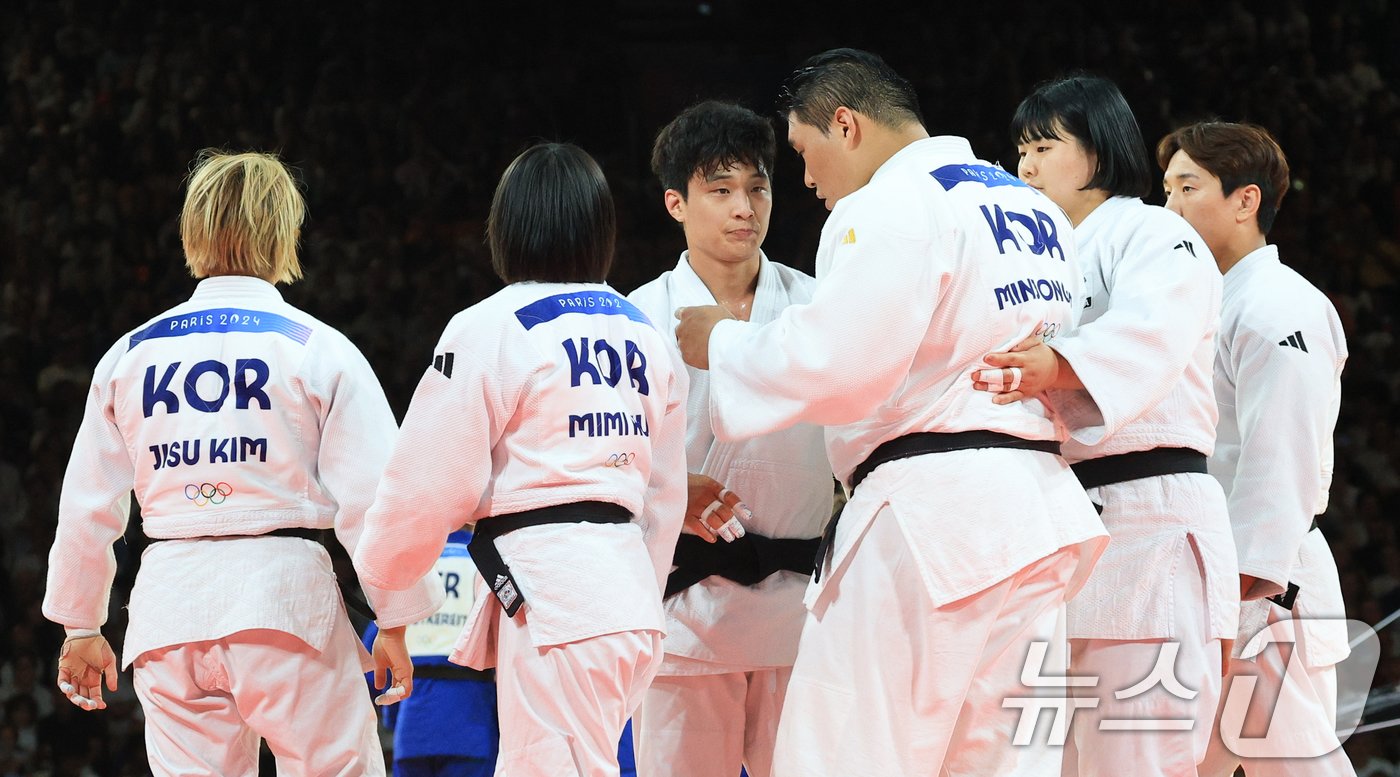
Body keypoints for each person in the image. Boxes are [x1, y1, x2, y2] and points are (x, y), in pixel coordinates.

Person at [673, 48, 1108, 776]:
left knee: (849, 754)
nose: (807, 180)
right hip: (1037, 514)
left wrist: (722, 341)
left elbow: (839, 361)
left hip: (929, 521)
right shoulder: (1034, 209)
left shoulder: (891, 202)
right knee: (1001, 763)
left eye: (805, 152)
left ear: (845, 125)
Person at [41, 150, 443, 776]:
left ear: (192, 233)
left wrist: (80, 625)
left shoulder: (130, 355)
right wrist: (395, 618)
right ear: (285, 234)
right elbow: (378, 500)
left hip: (169, 607)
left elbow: (88, 506)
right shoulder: (319, 348)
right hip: (285, 602)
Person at [352, 142, 688, 777]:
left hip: (558, 600)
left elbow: (425, 486)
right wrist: (636, 590)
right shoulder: (646, 333)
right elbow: (665, 497)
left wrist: (390, 602)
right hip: (628, 602)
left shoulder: (492, 326)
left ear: (507, 230)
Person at [974, 76, 1240, 775]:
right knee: (1055, 760)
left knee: (1140, 754)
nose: (1025, 166)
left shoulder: (1155, 232)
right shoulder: (1033, 258)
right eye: (1020, 150)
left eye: (1044, 147)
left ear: (1097, 150)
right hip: (1059, 524)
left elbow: (1153, 334)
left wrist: (1057, 364)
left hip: (1150, 514)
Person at [627, 100, 832, 777]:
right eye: (720, 191)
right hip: (683, 612)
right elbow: (598, 457)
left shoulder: (817, 307)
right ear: (676, 203)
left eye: (757, 188)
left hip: (800, 611)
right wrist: (666, 488)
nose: (744, 208)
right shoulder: (635, 318)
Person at [1159, 121, 1355, 776]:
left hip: (1262, 586)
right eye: (1166, 189)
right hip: (1211, 578)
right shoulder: (1206, 302)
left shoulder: (1279, 303)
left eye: (1189, 187)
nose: (1170, 207)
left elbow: (1282, 459)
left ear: (1246, 201)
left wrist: (1247, 587)